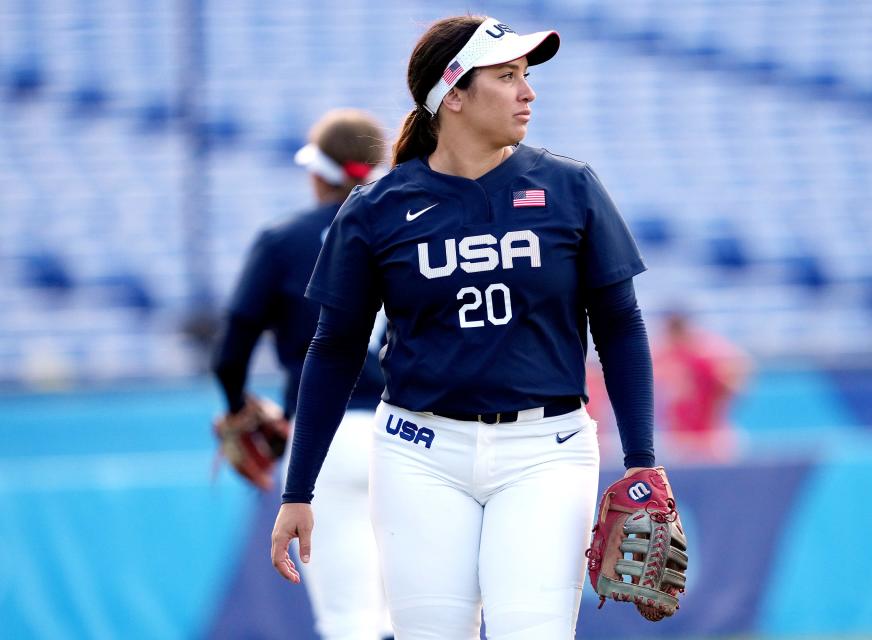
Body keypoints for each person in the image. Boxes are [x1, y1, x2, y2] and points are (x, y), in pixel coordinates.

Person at [271, 16, 660, 639]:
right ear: (452, 93)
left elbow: (621, 324)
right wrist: (300, 490)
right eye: (507, 77)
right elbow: (334, 349)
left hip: (546, 451)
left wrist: (641, 459)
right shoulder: (375, 210)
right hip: (419, 454)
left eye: (525, 76)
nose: (527, 92)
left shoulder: (570, 186)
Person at [211, 108, 393, 640]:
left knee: (349, 623)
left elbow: (229, 351)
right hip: (415, 435)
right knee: (421, 618)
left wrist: (236, 405)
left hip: (323, 440)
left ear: (318, 171)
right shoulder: (412, 231)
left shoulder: (282, 239)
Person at [653, 310, 752, 463]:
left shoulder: (704, 356)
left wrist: (718, 409)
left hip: (708, 436)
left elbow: (736, 376)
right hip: (679, 437)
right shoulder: (666, 355)